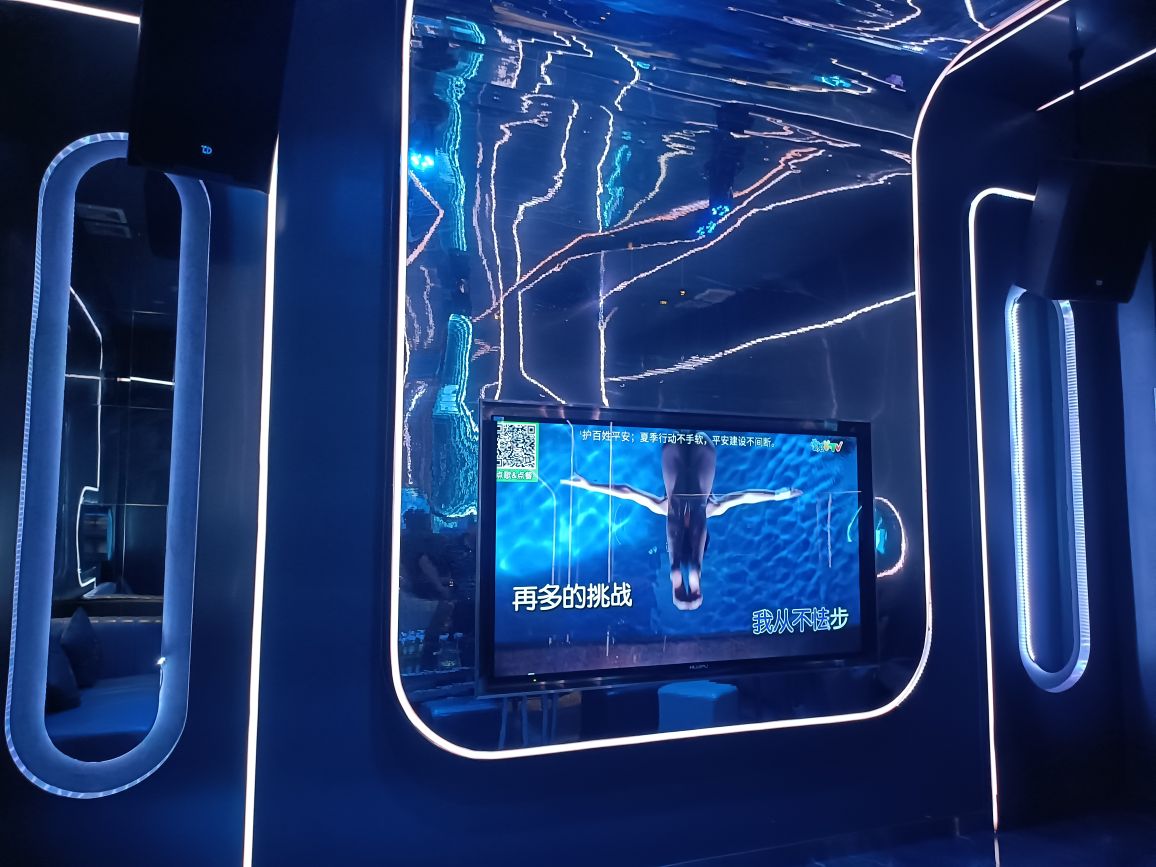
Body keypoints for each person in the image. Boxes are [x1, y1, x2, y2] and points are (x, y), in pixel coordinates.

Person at [562, 433, 801, 611]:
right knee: (677, 522)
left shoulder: (712, 508)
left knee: (693, 513)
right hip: (674, 446)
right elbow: (628, 492)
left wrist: (779, 494)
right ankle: (680, 565)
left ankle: (694, 566)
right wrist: (590, 485)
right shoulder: (666, 508)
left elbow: (745, 496)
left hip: (702, 446)